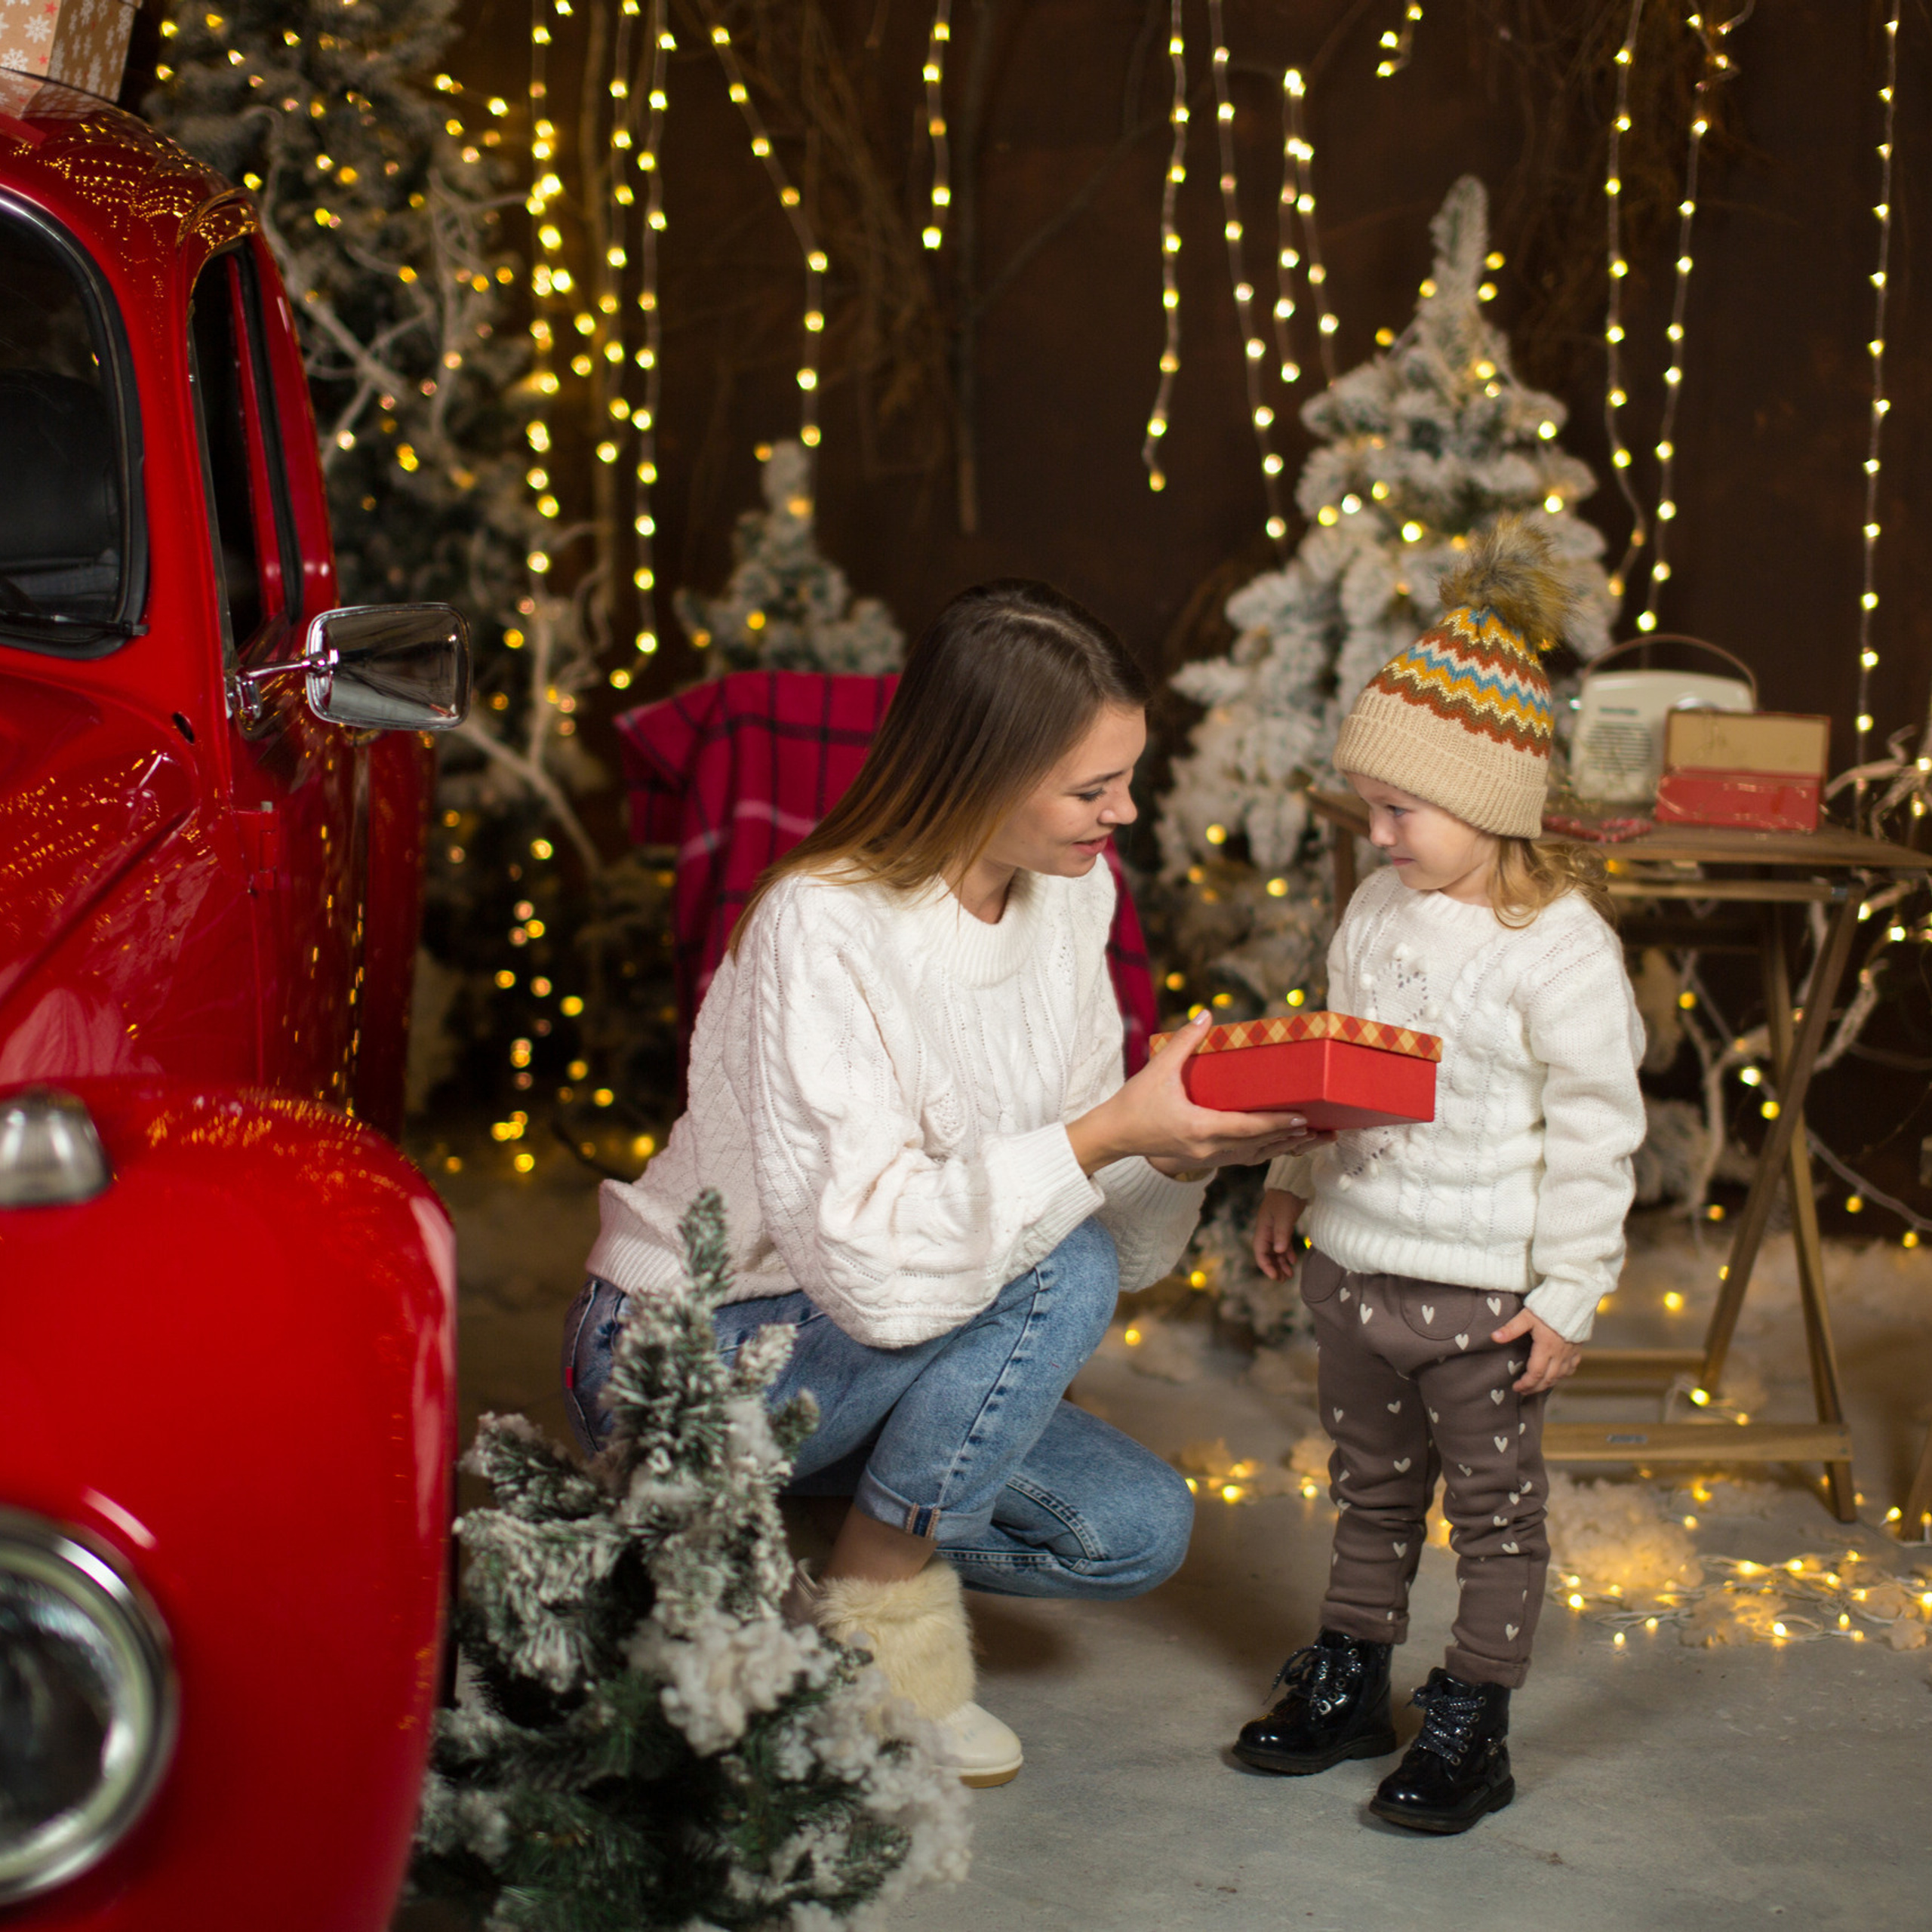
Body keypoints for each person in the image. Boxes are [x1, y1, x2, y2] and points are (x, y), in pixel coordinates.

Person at [565, 580, 1318, 1786]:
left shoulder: (1077, 897)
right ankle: (873, 1617)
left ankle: (799, 1541)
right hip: (691, 1355)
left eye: (1128, 776)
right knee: (1049, 1258)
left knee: (1136, 1532)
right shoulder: (824, 926)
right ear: (980, 772)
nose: (1123, 814)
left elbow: (1111, 1247)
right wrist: (1104, 1131)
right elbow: (873, 1274)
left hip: (880, 1354)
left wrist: (1179, 1146)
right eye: (1092, 789)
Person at [1231, 518, 1644, 1835]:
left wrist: (1572, 1287)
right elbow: (1338, 1071)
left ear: (1490, 802)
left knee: (1494, 1509)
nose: (1379, 829)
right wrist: (1295, 1181)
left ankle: (1475, 1710)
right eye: (1372, 805)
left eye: (1400, 808)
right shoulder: (1373, 911)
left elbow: (1596, 1130)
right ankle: (1354, 1667)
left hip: (1478, 1301)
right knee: (1370, 1488)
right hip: (1359, 1269)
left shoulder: (1559, 951)